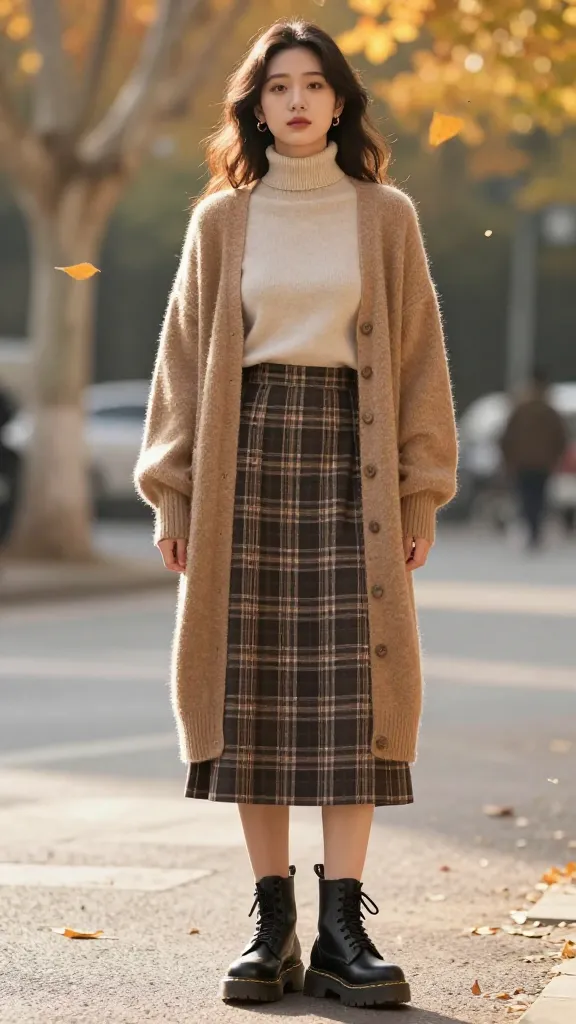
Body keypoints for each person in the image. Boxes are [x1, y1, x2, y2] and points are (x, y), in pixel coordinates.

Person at [134, 19, 458, 1009]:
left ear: (342, 101)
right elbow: (185, 365)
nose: (300, 101)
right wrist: (174, 490)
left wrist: (416, 485)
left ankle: (342, 925)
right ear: (256, 104)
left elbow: (415, 363)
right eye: (280, 87)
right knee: (253, 691)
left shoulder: (385, 214)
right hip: (248, 464)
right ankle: (271, 922)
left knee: (357, 697)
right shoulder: (220, 222)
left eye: (317, 85)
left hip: (350, 468)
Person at [499, 367, 567, 550]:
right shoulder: (549, 410)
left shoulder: (521, 408)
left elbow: (506, 437)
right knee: (539, 497)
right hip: (543, 463)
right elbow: (561, 438)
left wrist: (508, 460)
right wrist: (556, 458)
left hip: (523, 463)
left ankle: (532, 531)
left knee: (527, 497)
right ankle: (535, 532)